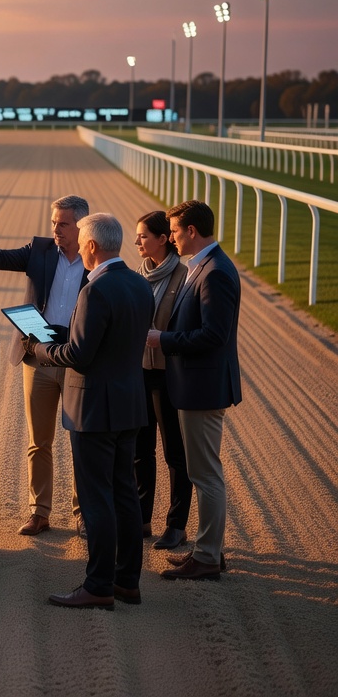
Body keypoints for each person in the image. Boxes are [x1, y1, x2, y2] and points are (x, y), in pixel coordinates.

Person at [0, 195, 90, 537]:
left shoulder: (96, 256)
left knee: (81, 441)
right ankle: (39, 512)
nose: (55, 229)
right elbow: (1, 258)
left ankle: (84, 513)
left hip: (77, 359)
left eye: (63, 224)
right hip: (37, 354)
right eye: (53, 222)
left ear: (81, 226)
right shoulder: (39, 250)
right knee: (39, 440)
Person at [27, 213, 152, 610]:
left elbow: (79, 355)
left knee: (97, 498)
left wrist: (40, 348)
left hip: (94, 409)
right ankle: (127, 581)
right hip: (129, 404)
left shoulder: (94, 290)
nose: (78, 248)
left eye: (81, 242)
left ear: (93, 247)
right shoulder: (138, 282)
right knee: (125, 496)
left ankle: (98, 584)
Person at [148, 199, 242, 580]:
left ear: (191, 231)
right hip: (197, 385)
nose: (170, 237)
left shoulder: (215, 271)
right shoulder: (202, 266)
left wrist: (163, 339)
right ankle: (209, 550)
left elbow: (214, 335)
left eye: (173, 230)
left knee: (205, 474)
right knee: (204, 472)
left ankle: (205, 557)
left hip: (202, 388)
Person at [133, 211, 192, 549]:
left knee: (174, 454)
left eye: (143, 236)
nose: (138, 242)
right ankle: (141, 519)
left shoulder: (184, 277)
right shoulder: (138, 275)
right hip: (139, 373)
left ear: (163, 238)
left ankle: (176, 525)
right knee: (141, 450)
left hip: (169, 377)